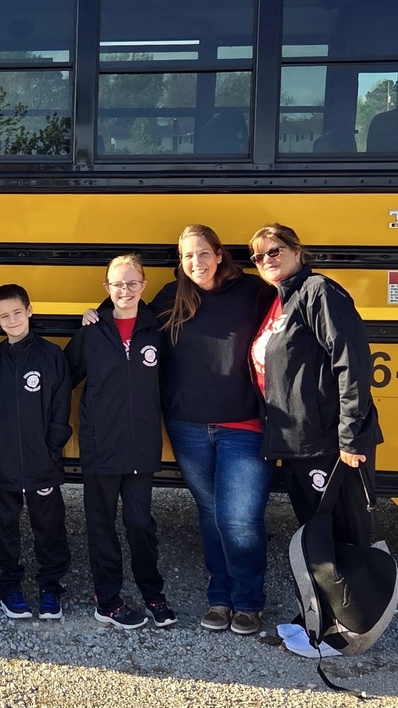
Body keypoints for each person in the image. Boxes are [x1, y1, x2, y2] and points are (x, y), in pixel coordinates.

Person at [152, 225, 275, 635]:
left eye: (203, 254)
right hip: (188, 424)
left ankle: (248, 602)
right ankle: (220, 598)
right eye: (187, 257)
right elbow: (131, 318)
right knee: (210, 511)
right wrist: (96, 315)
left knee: (240, 518)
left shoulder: (253, 293)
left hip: (243, 423)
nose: (196, 264)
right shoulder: (172, 298)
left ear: (219, 254)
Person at [64, 254, 177, 630]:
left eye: (132, 283)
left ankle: (152, 593)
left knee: (140, 522)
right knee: (102, 525)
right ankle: (107, 599)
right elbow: (63, 376)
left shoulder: (156, 331)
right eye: (117, 284)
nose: (125, 290)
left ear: (144, 285)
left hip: (141, 446)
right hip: (101, 447)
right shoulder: (92, 332)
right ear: (106, 288)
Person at [248, 223, 382, 534]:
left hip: (330, 445)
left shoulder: (318, 292)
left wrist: (350, 437)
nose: (266, 259)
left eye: (274, 250)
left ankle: (358, 585)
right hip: (297, 445)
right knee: (317, 536)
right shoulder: (277, 303)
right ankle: (325, 585)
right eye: (258, 256)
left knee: (346, 535)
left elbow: (352, 363)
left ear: (297, 251)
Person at [0, 284, 72, 620]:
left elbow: (60, 409)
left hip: (42, 464)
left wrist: (52, 451)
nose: (12, 320)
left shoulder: (51, 355)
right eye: (4, 316)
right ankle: (9, 588)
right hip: (3, 465)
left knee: (49, 527)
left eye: (17, 312)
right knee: (4, 530)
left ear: (30, 311)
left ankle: (51, 588)